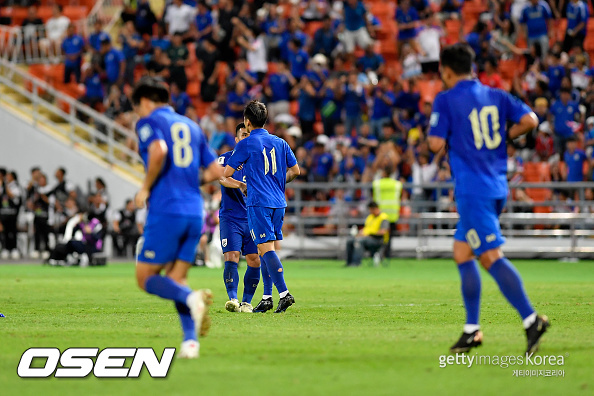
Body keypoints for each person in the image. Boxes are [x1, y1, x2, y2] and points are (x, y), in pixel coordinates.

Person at [427, 43, 548, 354]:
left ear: (447, 71)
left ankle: (531, 318)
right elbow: (531, 121)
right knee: (461, 252)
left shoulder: (446, 99)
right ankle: (471, 330)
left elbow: (434, 143)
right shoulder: (496, 95)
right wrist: (503, 138)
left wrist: (445, 132)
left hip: (472, 189)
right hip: (496, 184)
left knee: (490, 256)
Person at [132, 76, 223, 358]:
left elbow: (158, 150)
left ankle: (191, 299)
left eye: (137, 108)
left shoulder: (149, 122)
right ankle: (190, 343)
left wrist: (145, 187)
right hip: (194, 211)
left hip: (167, 209)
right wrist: (186, 181)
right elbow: (216, 171)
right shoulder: (192, 126)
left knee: (145, 277)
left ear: (145, 102)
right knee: (177, 278)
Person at [224, 100, 300, 313]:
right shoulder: (280, 142)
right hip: (279, 203)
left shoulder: (246, 144)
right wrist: (277, 183)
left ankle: (284, 293)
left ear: (247, 122)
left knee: (265, 249)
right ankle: (267, 297)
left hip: (259, 203)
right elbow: (295, 171)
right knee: (265, 248)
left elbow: (226, 174)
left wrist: (242, 185)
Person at [217, 123, 266, 313]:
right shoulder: (226, 158)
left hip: (253, 216)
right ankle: (233, 299)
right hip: (231, 217)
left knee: (254, 259)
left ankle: (246, 302)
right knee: (232, 256)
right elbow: (221, 177)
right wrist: (240, 185)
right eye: (243, 135)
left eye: (249, 135)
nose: (246, 138)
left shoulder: (257, 159)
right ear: (236, 139)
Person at [345, 201, 389, 267]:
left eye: (371, 209)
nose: (370, 211)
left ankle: (356, 263)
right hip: (367, 238)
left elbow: (383, 231)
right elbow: (366, 229)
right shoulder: (370, 217)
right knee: (350, 240)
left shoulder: (383, 217)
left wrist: (369, 234)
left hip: (378, 240)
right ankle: (349, 263)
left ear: (375, 208)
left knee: (359, 241)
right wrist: (359, 234)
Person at [372, 166, 403, 258]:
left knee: (379, 236)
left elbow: (373, 187)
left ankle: (378, 255)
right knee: (389, 237)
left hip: (380, 215)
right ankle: (387, 255)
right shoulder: (397, 184)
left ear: (384, 173)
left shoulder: (378, 184)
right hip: (393, 215)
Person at [0, 170, 22, 260]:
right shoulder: (2, 187)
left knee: (12, 232)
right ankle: (5, 248)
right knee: (4, 232)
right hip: (3, 214)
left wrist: (5, 186)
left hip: (12, 214)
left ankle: (14, 248)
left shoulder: (15, 187)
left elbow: (13, 196)